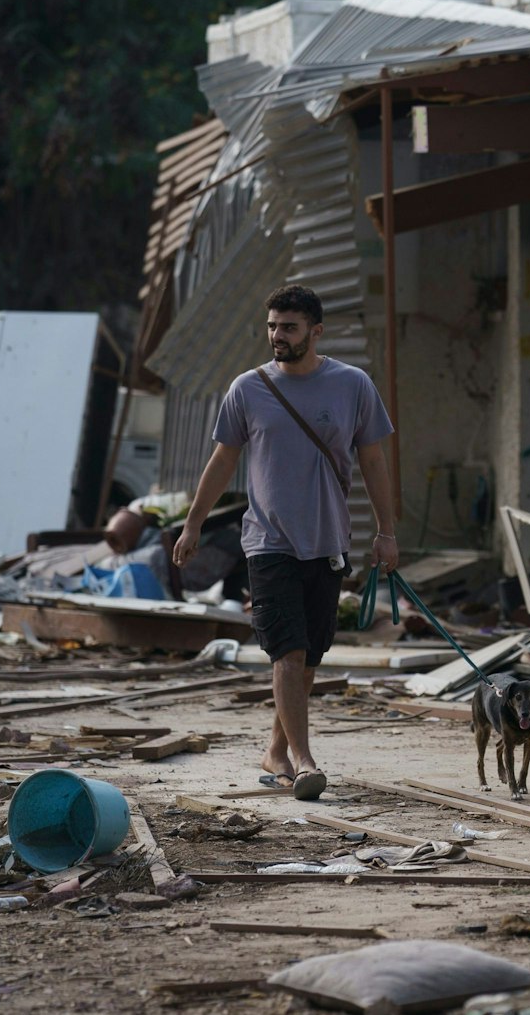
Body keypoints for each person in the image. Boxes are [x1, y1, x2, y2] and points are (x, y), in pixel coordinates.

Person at [173, 284, 397, 801]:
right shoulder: (247, 389)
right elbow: (223, 460)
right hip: (268, 541)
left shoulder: (352, 385)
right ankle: (304, 760)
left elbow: (374, 461)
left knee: (311, 655)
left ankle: (275, 752)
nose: (277, 335)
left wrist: (386, 532)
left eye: (289, 327)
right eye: (272, 325)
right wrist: (193, 524)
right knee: (288, 653)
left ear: (316, 332)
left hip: (328, 541)